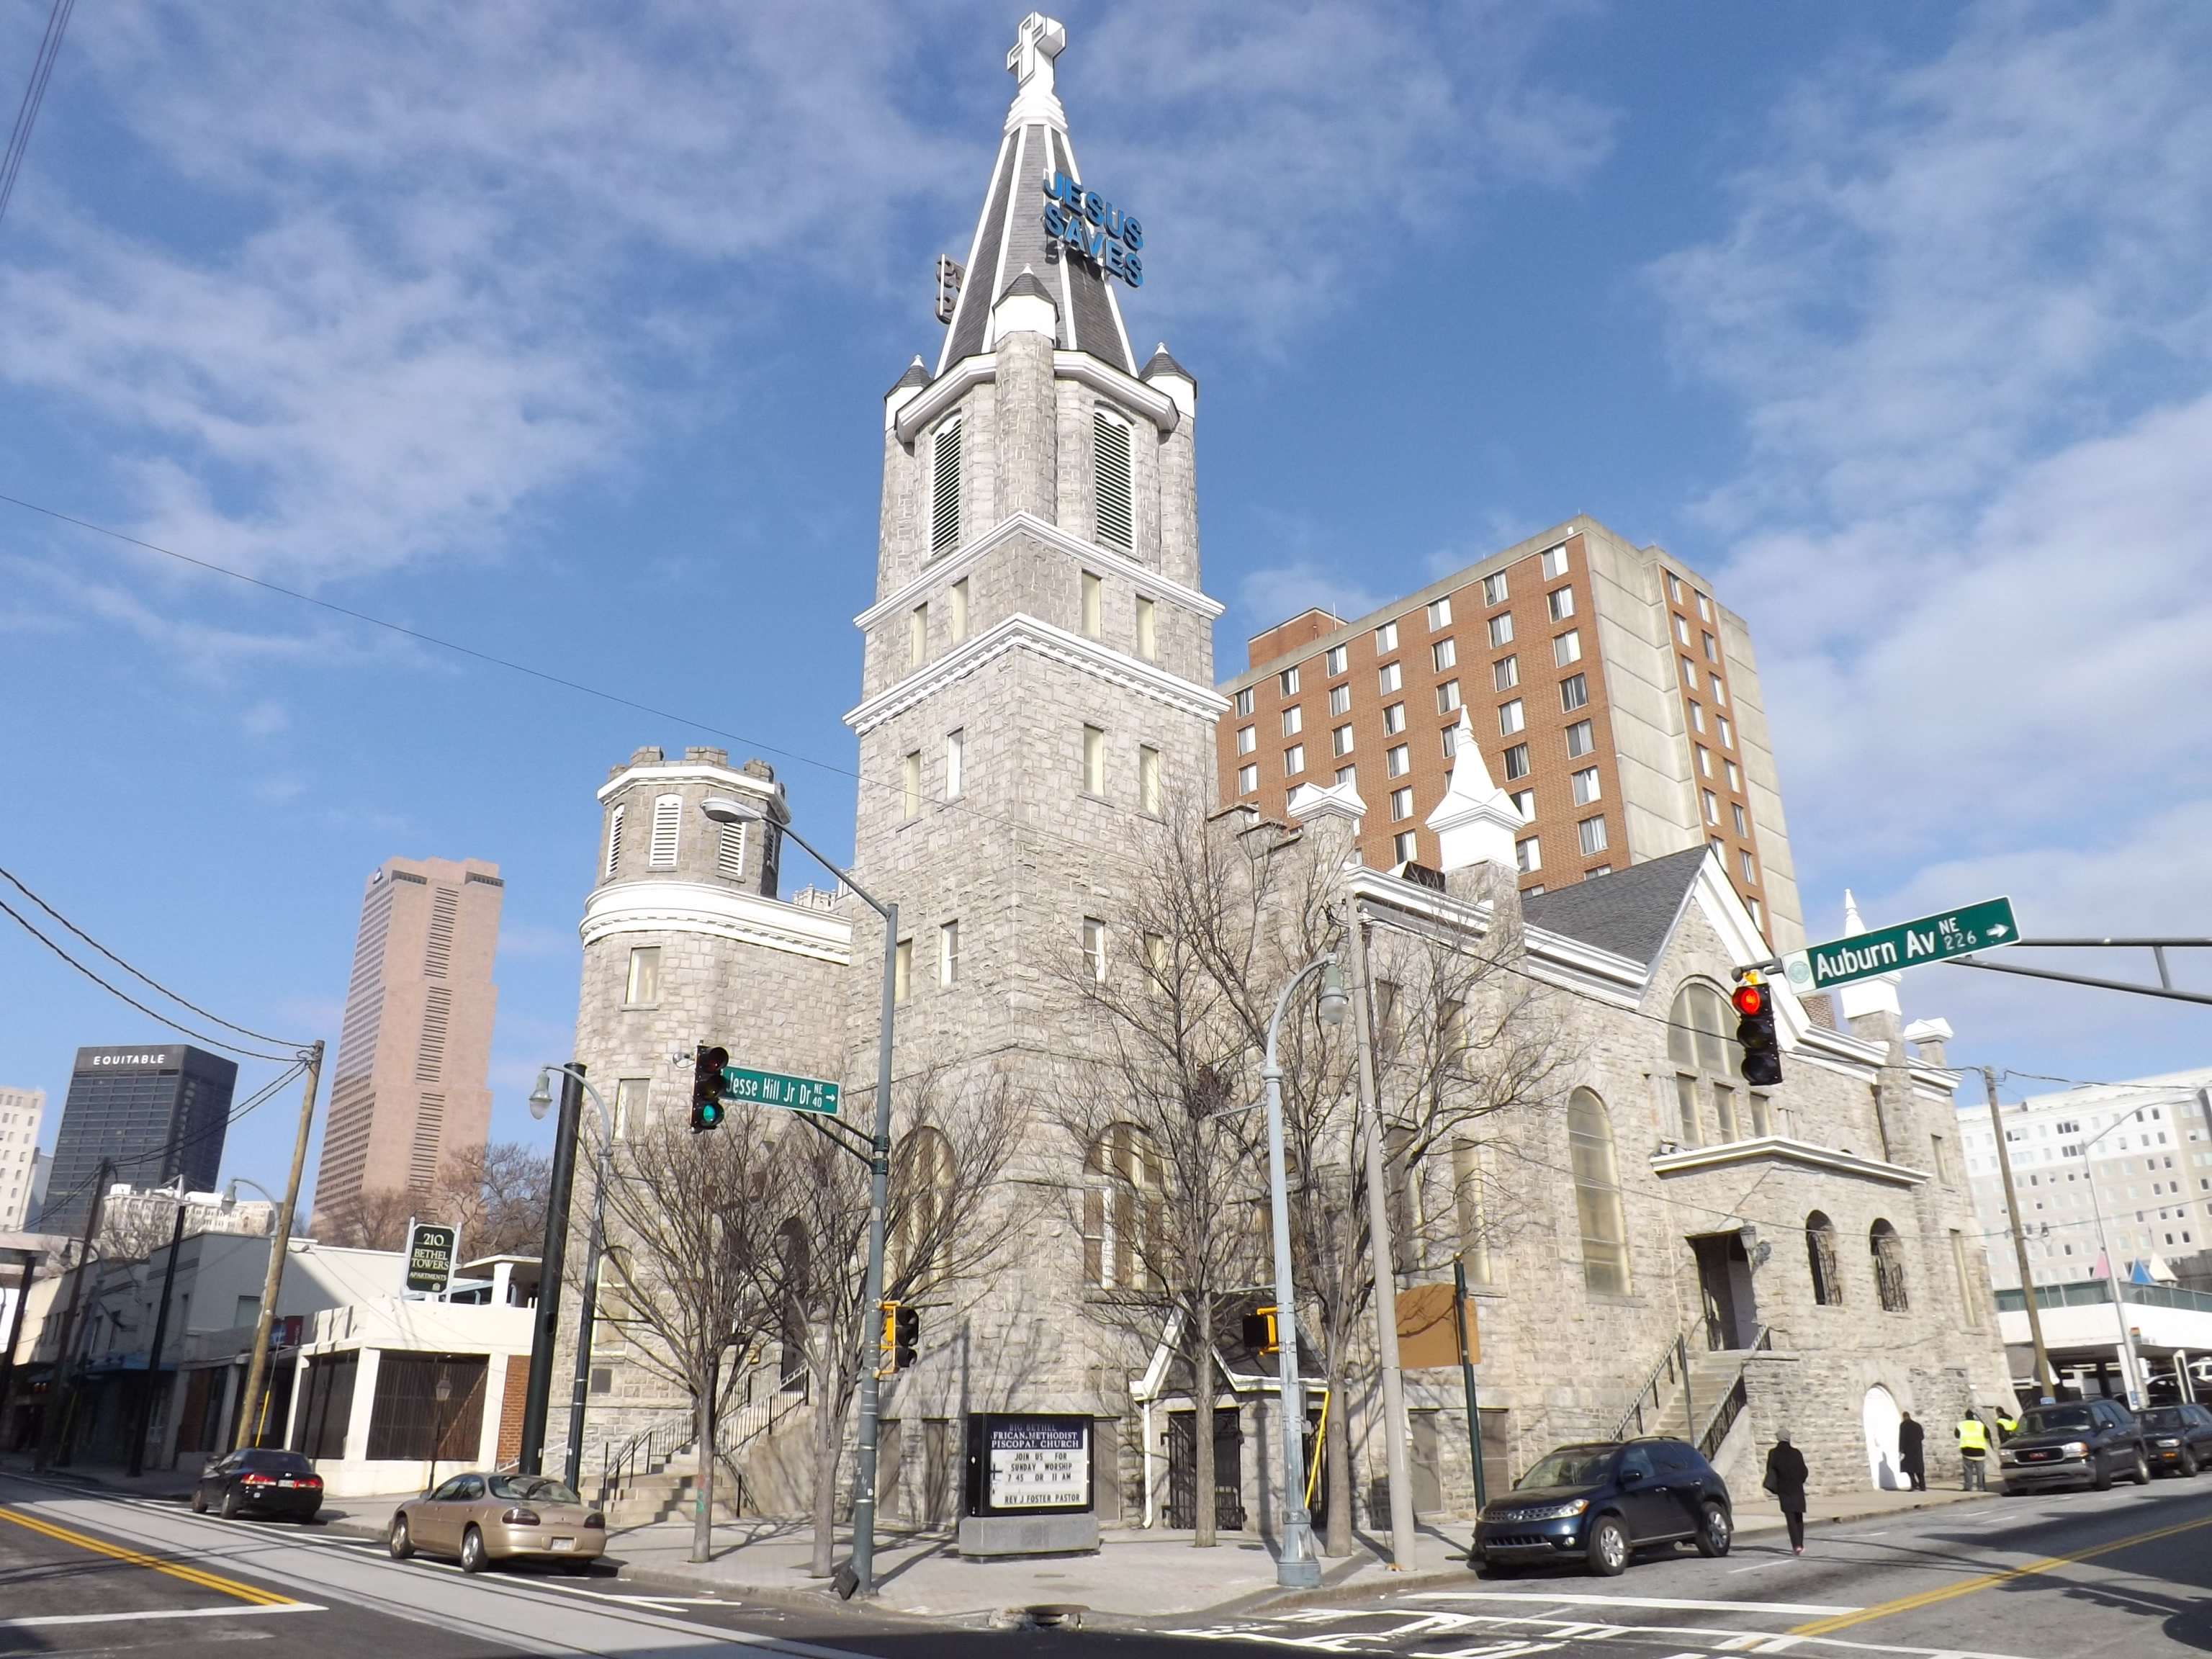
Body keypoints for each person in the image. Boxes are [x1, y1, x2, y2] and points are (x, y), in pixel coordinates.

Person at [1764, 1431, 1810, 1555]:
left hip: (1784, 1488)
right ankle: (1801, 1543)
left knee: (1790, 1518)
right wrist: (1799, 1480)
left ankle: (1796, 1546)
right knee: (1799, 1516)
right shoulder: (1796, 1453)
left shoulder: (1774, 1453)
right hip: (1797, 1488)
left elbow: (1771, 1470)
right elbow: (1804, 1472)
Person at [1956, 1411, 1990, 1491]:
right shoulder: (1980, 1425)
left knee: (1968, 1470)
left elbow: (1957, 1435)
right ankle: (1981, 1487)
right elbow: (1988, 1435)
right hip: (1980, 1451)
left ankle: (1968, 1486)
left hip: (1967, 1451)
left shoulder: (1961, 1424)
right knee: (1980, 1471)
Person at [1898, 1411, 1927, 1491]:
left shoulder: (1904, 1425)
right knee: (1919, 1470)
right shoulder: (1917, 1426)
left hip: (1908, 1450)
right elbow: (1922, 1437)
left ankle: (1914, 1484)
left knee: (1908, 1468)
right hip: (1918, 1450)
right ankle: (1923, 1486)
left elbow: (1902, 1438)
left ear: (1904, 1417)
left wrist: (1901, 1449)